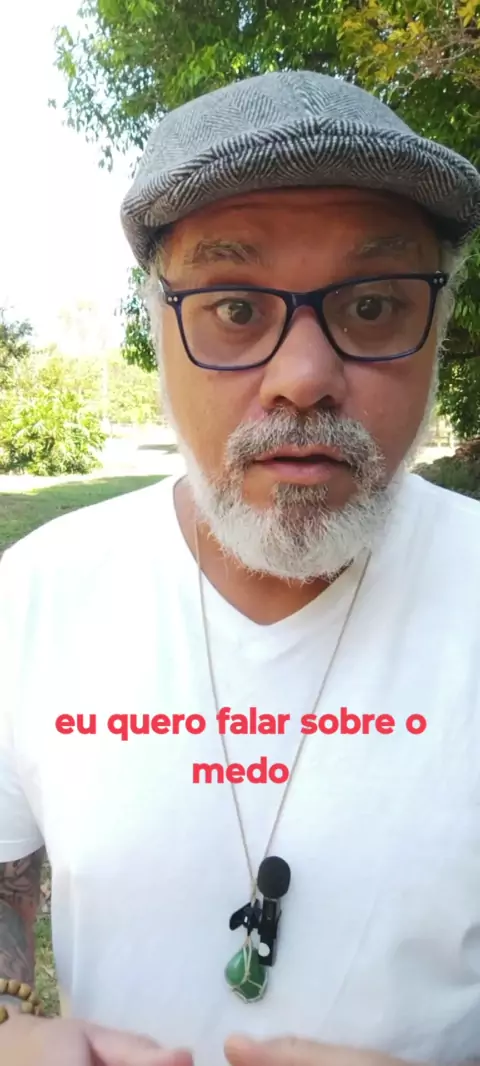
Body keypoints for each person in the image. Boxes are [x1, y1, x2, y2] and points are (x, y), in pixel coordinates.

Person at [1, 68, 480, 1066]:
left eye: (374, 304)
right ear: (156, 326)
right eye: (233, 308)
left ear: (437, 329)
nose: (303, 377)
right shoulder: (34, 598)